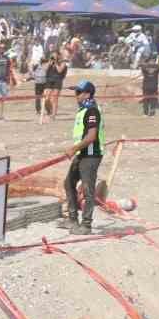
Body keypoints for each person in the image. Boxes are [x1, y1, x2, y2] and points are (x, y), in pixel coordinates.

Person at [60, 80, 103, 232]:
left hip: (91, 155)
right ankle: (72, 219)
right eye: (75, 92)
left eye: (79, 92)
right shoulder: (83, 110)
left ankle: (86, 224)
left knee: (87, 189)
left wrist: (73, 149)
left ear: (87, 94)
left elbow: (91, 136)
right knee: (68, 183)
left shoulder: (92, 111)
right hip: (81, 153)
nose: (76, 95)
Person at [42, 51, 67, 121]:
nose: (54, 57)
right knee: (46, 98)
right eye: (52, 55)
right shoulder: (49, 61)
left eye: (55, 55)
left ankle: (53, 115)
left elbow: (60, 70)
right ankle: (49, 111)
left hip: (58, 80)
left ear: (58, 56)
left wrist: (56, 63)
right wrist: (49, 63)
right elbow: (45, 69)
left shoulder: (62, 62)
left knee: (54, 98)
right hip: (49, 80)